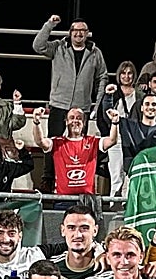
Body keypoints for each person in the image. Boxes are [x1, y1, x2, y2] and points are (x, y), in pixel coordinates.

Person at [33, 15, 108, 190]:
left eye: (83, 30)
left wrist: (96, 104)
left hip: (82, 107)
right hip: (59, 104)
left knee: (80, 147)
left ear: (87, 33)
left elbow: (102, 76)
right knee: (52, 144)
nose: (79, 33)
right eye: (75, 30)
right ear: (70, 33)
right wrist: (50, 24)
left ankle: (78, 183)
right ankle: (48, 180)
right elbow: (38, 46)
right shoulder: (59, 47)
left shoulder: (95, 53)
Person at [31, 105, 117, 196]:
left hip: (86, 199)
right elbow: (40, 141)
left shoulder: (93, 141)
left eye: (79, 118)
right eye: (72, 118)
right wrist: (36, 121)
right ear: (66, 122)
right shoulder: (57, 142)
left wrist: (115, 122)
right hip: (63, 199)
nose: (75, 121)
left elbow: (112, 140)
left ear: (83, 123)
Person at [96, 61, 141, 192]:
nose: (126, 76)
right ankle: (113, 202)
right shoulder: (112, 92)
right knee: (116, 173)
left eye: (130, 73)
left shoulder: (139, 95)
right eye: (123, 73)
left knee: (130, 173)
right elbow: (102, 116)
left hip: (133, 139)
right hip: (116, 138)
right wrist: (109, 135)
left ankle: (126, 202)